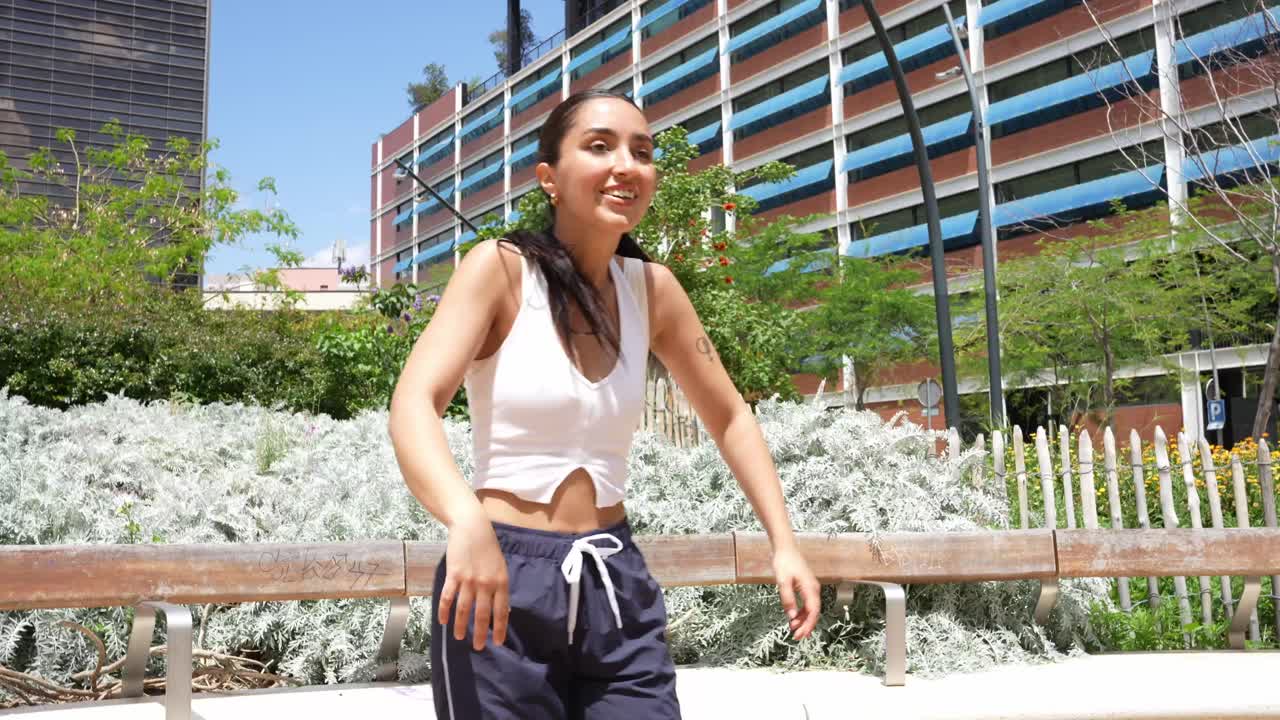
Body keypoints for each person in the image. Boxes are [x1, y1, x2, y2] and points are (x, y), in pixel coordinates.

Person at [388, 89, 820, 720]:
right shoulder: (501, 271)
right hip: (498, 577)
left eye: (641, 152)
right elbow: (413, 403)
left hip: (614, 579)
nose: (627, 164)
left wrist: (784, 543)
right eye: (600, 146)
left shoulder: (654, 290)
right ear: (549, 179)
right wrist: (465, 519)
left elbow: (730, 416)